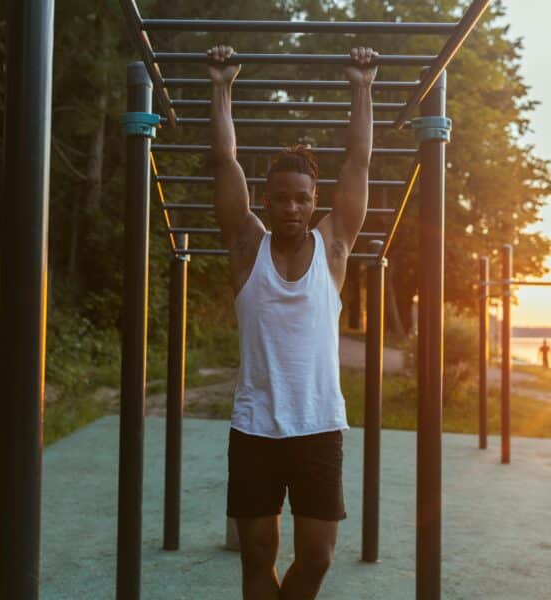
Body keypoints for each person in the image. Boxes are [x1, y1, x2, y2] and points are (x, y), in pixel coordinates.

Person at [207, 44, 378, 600]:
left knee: (318, 557)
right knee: (257, 555)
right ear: (266, 201)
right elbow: (224, 161)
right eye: (279, 199)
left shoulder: (333, 249)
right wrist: (222, 84)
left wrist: (361, 85)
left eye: (301, 199)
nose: (290, 208)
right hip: (255, 426)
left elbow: (358, 163)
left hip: (319, 426)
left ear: (313, 201)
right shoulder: (244, 247)